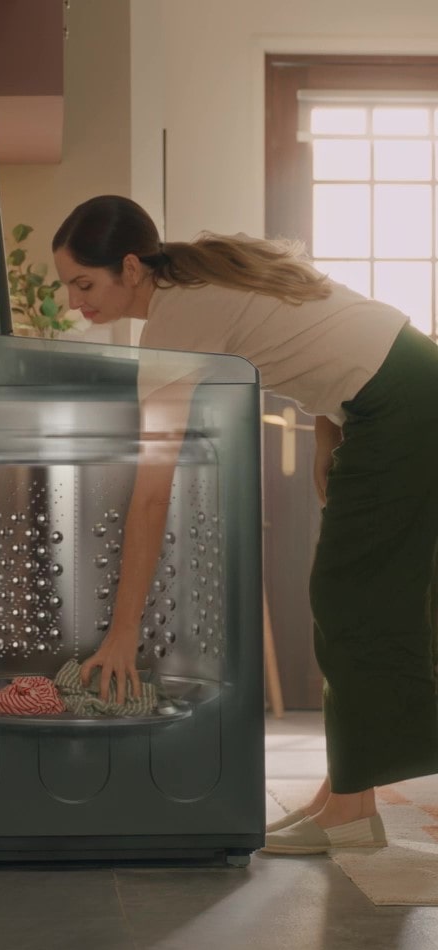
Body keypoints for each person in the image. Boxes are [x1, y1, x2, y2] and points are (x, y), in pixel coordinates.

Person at [51, 194, 438, 855]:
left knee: (352, 602)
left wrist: (121, 637)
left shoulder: (177, 317)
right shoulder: (200, 280)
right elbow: (331, 327)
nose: (72, 301)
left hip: (402, 405)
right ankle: (345, 797)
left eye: (83, 283)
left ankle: (350, 810)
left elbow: (151, 493)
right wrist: (326, 426)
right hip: (396, 392)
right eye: (67, 287)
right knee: (347, 600)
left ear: (131, 267)